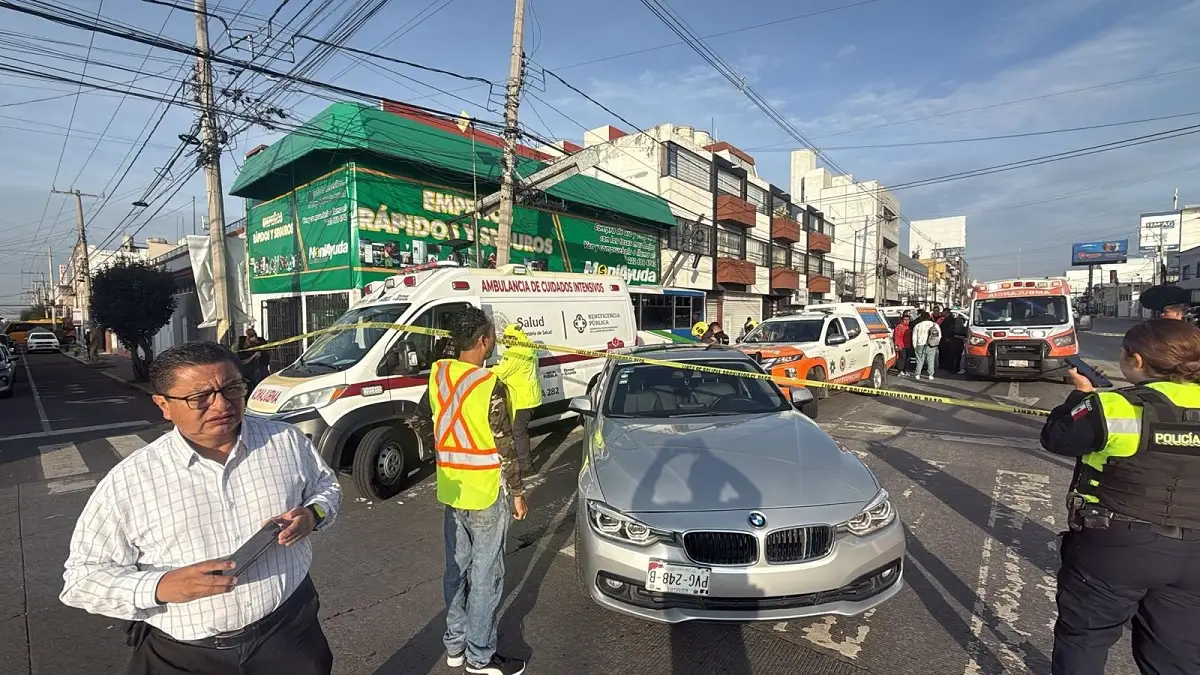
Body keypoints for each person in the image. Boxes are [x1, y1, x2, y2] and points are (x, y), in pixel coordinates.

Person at [60, 341, 342, 675]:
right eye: (200, 397)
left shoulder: (286, 442)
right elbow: (81, 579)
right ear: (163, 405)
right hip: (185, 654)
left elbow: (328, 488)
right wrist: (161, 586)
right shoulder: (129, 482)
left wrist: (313, 516)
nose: (222, 404)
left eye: (232, 388)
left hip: (289, 631)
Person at [1039, 319, 1200, 674]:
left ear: (1137, 360)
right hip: (1194, 555)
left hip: (1117, 546)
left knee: (1085, 638)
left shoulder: (1115, 407)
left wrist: (1081, 394)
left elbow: (1057, 438)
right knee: (1177, 652)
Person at [416, 307, 528, 675]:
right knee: (485, 576)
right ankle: (480, 656)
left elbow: (426, 419)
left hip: (452, 488)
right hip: (484, 491)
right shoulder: (487, 384)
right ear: (483, 341)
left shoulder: (438, 374)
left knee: (456, 570)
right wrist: (517, 491)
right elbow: (504, 443)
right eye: (492, 336)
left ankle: (455, 646)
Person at [491, 323, 542, 474]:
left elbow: (500, 372)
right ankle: (524, 463)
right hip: (530, 397)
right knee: (521, 431)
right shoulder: (528, 347)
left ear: (513, 338)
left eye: (507, 338)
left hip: (521, 399)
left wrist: (480, 370)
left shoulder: (515, 353)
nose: (505, 341)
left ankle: (526, 468)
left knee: (519, 433)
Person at [911, 310, 941, 380]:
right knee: (930, 360)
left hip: (920, 344)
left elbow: (914, 337)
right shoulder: (935, 325)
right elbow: (939, 335)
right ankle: (931, 375)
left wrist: (915, 346)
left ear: (921, 317)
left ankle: (917, 374)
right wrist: (936, 343)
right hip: (931, 345)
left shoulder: (918, 325)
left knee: (919, 360)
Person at [893, 312, 913, 376]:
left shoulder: (908, 327)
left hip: (908, 345)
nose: (907, 321)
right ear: (902, 320)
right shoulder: (899, 326)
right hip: (901, 345)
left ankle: (904, 370)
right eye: (905, 319)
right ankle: (900, 371)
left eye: (908, 320)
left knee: (906, 358)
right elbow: (897, 336)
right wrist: (898, 345)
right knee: (902, 358)